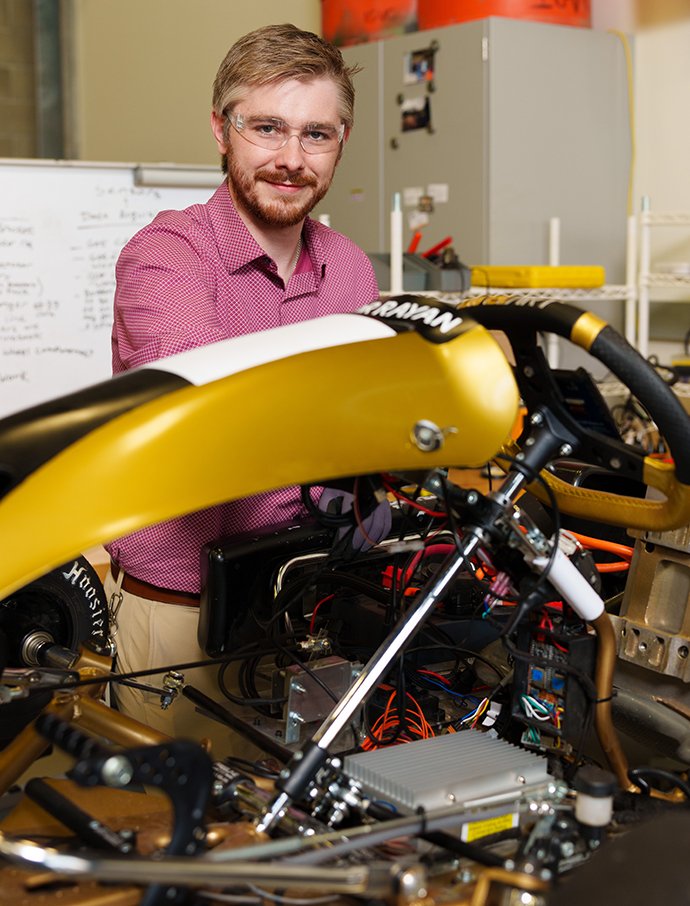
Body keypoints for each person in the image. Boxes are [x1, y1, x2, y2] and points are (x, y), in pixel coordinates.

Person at [103, 23, 379, 749]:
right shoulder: (165, 258)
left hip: (310, 608)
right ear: (222, 131)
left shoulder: (350, 269)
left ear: (342, 140)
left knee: (302, 836)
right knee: (175, 841)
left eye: (316, 134)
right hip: (181, 623)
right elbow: (213, 414)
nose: (292, 160)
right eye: (268, 128)